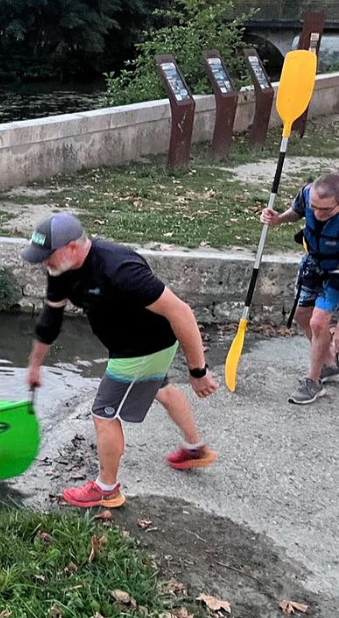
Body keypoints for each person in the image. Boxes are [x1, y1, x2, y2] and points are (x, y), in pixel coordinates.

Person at [22, 213, 218, 509]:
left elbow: (181, 312)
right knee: (160, 389)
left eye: (47, 255)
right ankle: (195, 448)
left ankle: (106, 488)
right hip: (129, 345)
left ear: (73, 247)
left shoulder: (118, 267)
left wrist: (198, 370)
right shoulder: (60, 269)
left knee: (103, 413)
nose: (42, 262)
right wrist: (35, 365)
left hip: (143, 347)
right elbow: (51, 319)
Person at [259, 172, 339, 403]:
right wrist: (277, 219)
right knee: (303, 316)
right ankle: (328, 364)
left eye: (326, 210)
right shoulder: (307, 194)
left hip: (336, 274)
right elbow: (297, 212)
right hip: (312, 265)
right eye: (314, 207)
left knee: (318, 321)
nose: (317, 214)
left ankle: (312, 382)